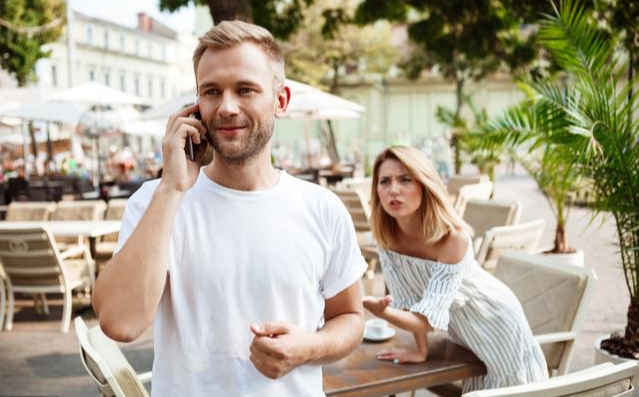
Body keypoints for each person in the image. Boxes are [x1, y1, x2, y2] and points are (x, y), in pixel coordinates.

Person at [93, 21, 367, 397]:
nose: (226, 107)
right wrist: (173, 187)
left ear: (280, 100)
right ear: (195, 105)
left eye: (245, 90)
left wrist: (309, 347)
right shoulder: (156, 200)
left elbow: (350, 317)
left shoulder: (323, 209)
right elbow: (119, 323)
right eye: (211, 91)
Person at [362, 146, 548, 393]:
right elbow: (409, 301)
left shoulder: (453, 239)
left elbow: (425, 321)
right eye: (384, 181)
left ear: (424, 185)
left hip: (497, 324)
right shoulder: (387, 239)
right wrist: (420, 350)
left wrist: (379, 311)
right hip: (465, 336)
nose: (393, 189)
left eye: (405, 179)